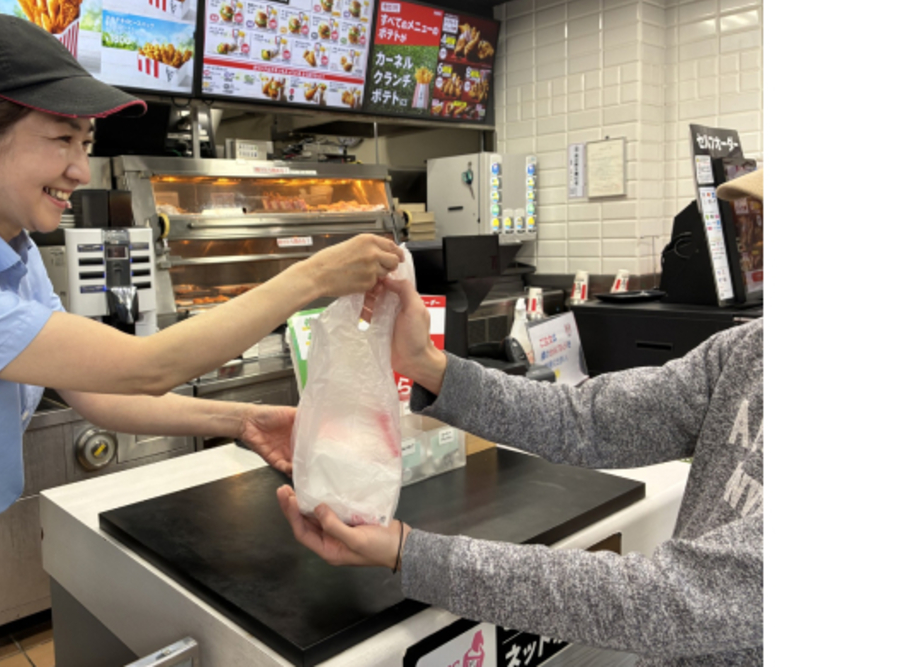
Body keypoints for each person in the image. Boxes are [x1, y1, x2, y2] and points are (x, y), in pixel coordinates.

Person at [0, 13, 402, 667]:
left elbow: (95, 393)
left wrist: (243, 420)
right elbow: (145, 365)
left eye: (85, 142)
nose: (80, 170)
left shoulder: (11, 251)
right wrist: (312, 275)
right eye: (62, 139)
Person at [279, 170, 764, 666]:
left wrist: (412, 554)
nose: (756, 247)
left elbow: (672, 601)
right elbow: (588, 420)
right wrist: (426, 364)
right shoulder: (751, 350)